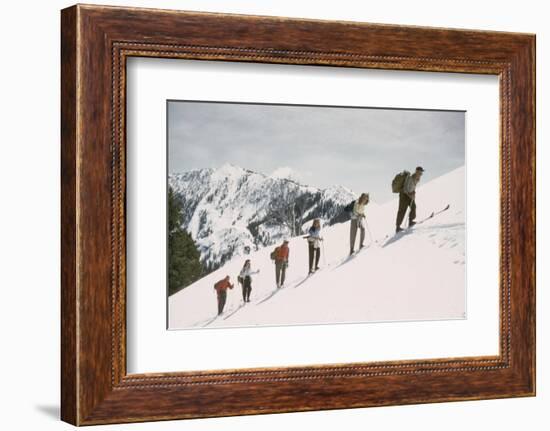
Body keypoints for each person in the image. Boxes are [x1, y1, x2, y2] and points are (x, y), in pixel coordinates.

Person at [396, 166, 424, 233]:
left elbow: (412, 187)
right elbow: (405, 189)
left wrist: (413, 192)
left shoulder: (417, 178)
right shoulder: (410, 178)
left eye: (421, 172)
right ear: (417, 171)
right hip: (404, 195)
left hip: (410, 194)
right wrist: (410, 195)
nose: (421, 174)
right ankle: (398, 227)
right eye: (420, 172)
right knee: (402, 210)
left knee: (413, 207)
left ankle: (411, 221)